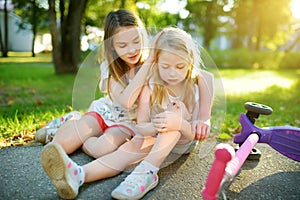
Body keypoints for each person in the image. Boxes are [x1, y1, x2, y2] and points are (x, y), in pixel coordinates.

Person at [40, 9, 159, 199]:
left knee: (102, 150)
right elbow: (127, 100)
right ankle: (66, 128)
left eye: (137, 41)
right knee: (60, 146)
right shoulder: (110, 67)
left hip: (126, 123)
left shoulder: (152, 65)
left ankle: (73, 126)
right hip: (104, 113)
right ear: (112, 47)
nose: (132, 50)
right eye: (123, 45)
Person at [111, 27, 213, 199]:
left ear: (190, 62)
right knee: (129, 148)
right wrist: (152, 128)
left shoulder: (203, 80)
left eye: (180, 66)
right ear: (157, 62)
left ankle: (147, 171)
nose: (172, 73)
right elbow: (142, 125)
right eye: (165, 66)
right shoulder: (153, 84)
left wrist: (200, 123)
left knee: (174, 112)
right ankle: (80, 174)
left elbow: (204, 120)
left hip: (185, 137)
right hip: (156, 135)